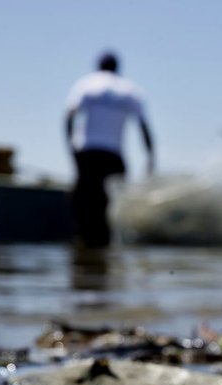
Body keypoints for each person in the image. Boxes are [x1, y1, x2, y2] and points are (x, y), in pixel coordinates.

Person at [65, 52, 155, 247]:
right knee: (111, 207)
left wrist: (71, 149)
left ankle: (84, 255)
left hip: (87, 152)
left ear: (98, 66)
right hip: (113, 155)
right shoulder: (130, 90)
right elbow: (143, 126)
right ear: (117, 67)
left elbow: (69, 116)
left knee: (85, 208)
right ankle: (106, 255)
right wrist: (150, 156)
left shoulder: (86, 84)